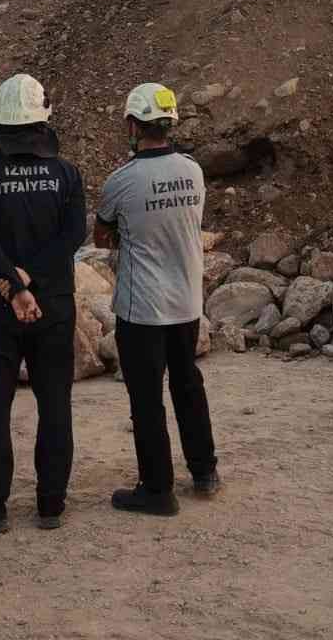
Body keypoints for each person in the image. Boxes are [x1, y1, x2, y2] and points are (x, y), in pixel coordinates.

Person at [0, 73, 86, 534]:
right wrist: (31, 279)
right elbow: (73, 235)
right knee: (55, 404)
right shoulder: (66, 173)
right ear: (42, 120)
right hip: (53, 303)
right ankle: (51, 504)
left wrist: (13, 284)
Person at [93, 83, 218, 517]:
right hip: (187, 302)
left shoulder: (122, 181)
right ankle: (204, 471)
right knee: (188, 386)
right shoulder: (193, 171)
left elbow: (101, 235)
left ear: (133, 125)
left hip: (142, 308)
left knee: (146, 398)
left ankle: (157, 489)